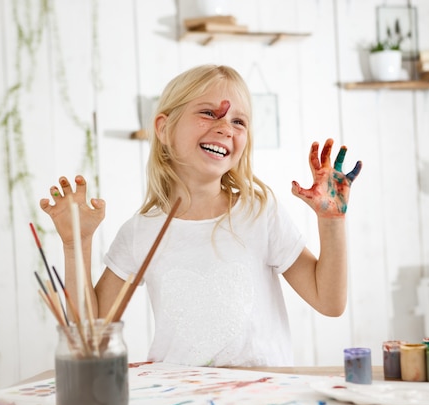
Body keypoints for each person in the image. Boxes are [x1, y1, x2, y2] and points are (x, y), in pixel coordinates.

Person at [40, 64, 362, 367]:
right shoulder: (142, 231)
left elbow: (330, 302)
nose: (225, 128)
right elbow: (91, 332)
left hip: (262, 401)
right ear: (164, 129)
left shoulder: (260, 213)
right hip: (182, 399)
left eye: (239, 122)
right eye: (209, 113)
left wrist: (331, 221)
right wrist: (76, 244)